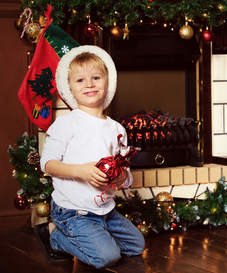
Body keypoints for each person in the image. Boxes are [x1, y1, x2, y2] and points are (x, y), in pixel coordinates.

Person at [34, 45, 145, 269]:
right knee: (106, 258)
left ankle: (98, 237)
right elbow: (47, 164)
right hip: (74, 210)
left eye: (95, 78)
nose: (89, 84)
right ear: (70, 89)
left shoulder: (117, 129)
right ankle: (55, 236)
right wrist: (80, 170)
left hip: (106, 211)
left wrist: (122, 178)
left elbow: (126, 172)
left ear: (107, 83)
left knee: (136, 245)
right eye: (80, 80)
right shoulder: (66, 124)